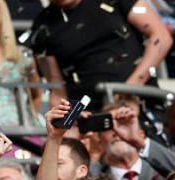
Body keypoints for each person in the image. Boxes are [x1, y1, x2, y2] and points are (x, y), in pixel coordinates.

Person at [30, 0, 173, 109]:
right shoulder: (43, 25)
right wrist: (68, 125)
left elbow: (161, 37)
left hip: (138, 102)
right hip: (87, 116)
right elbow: (57, 91)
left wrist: (129, 89)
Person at [94, 100, 175, 180]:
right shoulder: (93, 179)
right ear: (99, 141)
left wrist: (138, 142)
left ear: (142, 134)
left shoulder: (162, 169)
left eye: (124, 123)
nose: (117, 131)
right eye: (109, 125)